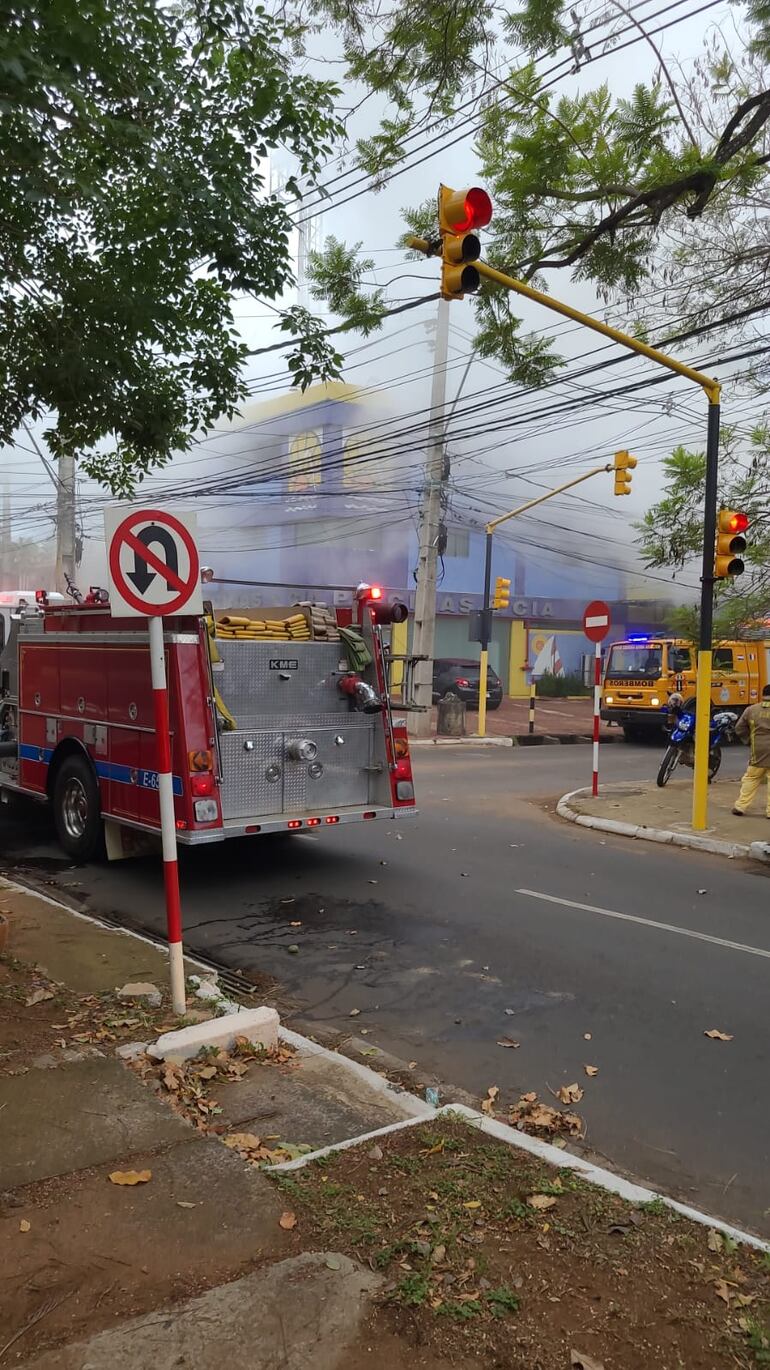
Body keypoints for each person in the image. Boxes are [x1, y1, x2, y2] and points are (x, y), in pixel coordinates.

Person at [732, 684, 770, 818]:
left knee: (751, 778)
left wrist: (748, 741)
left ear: (762, 694)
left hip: (757, 750)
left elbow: (739, 728)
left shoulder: (751, 710)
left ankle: (740, 806)